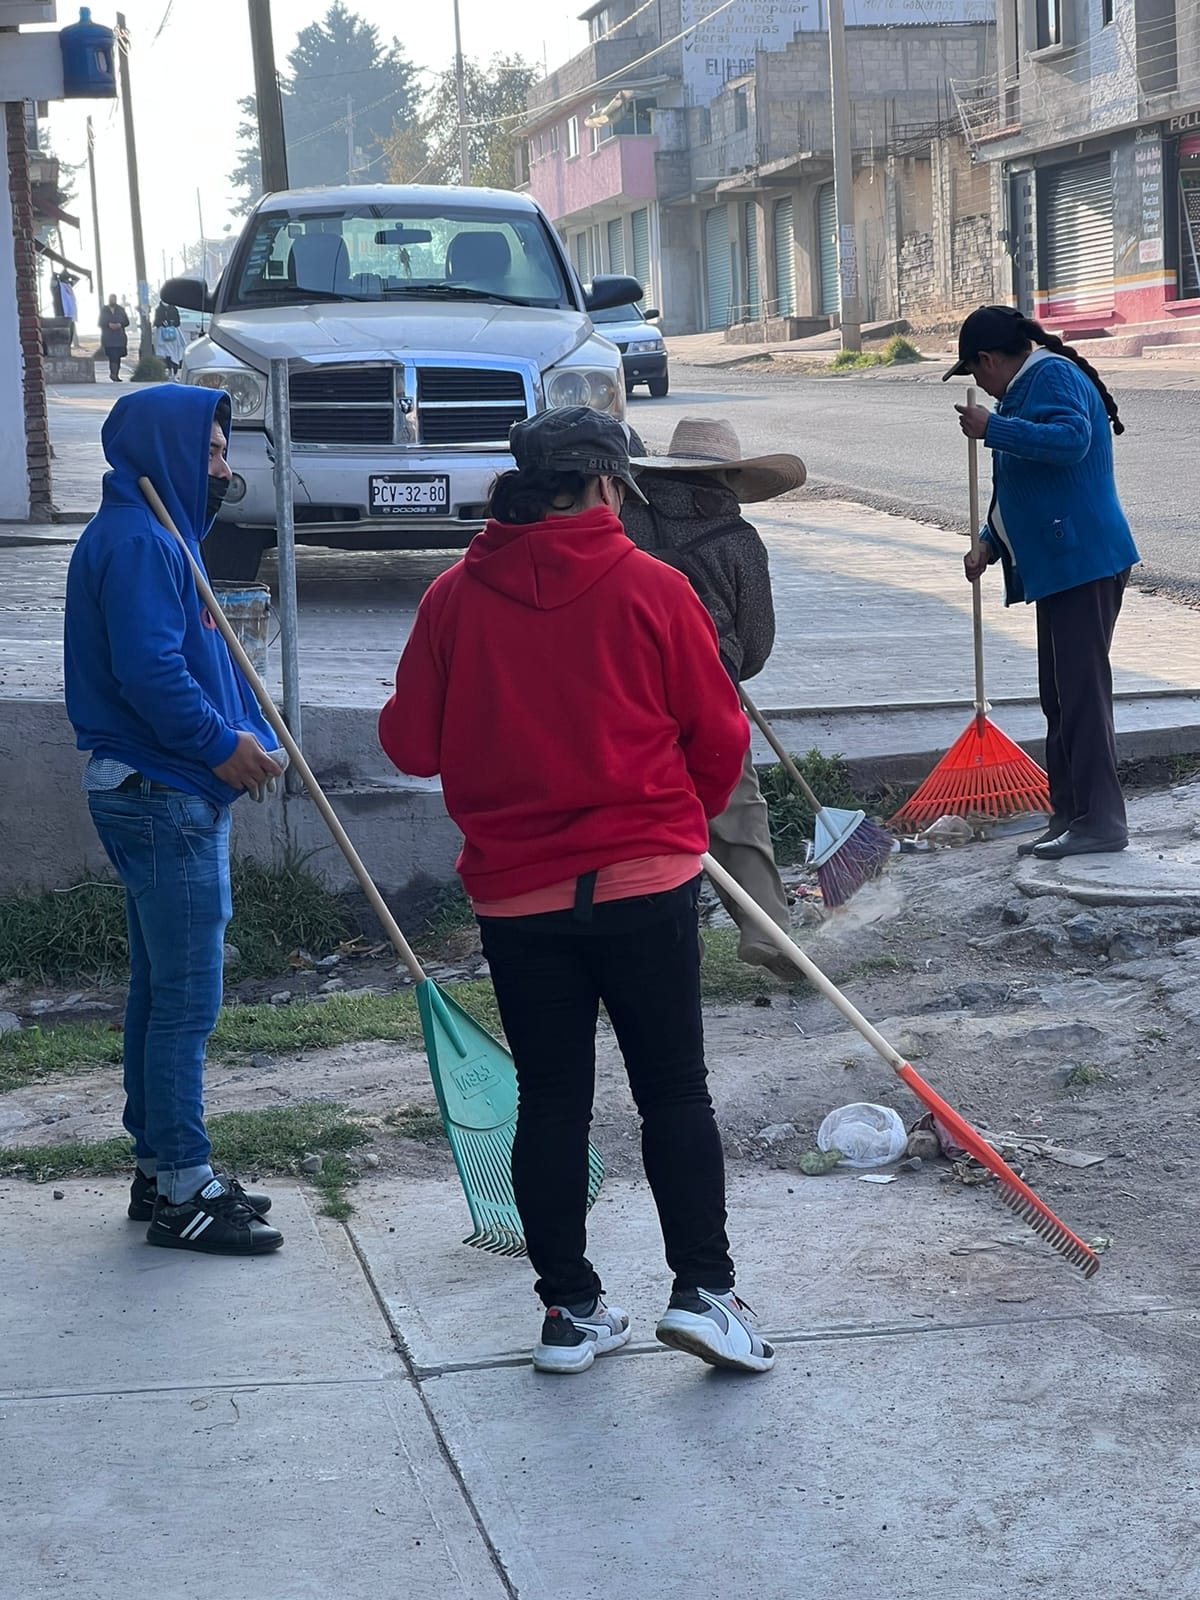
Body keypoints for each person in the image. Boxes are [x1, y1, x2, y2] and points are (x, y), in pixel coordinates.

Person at [378, 407, 775, 1377]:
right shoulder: (656, 588)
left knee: (551, 1099)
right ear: (609, 486)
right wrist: (682, 824)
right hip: (646, 879)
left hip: (518, 897)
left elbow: (409, 744)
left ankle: (571, 1310)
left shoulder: (452, 600)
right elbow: (719, 739)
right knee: (673, 1088)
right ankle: (707, 1295)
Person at [64, 384, 286, 1254]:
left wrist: (251, 731)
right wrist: (219, 745)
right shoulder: (136, 541)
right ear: (165, 449)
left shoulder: (159, 535)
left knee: (160, 994)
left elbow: (195, 662)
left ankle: (160, 1167)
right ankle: (187, 1189)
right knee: (187, 1002)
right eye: (214, 452)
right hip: (161, 793)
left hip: (163, 789)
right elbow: (153, 675)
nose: (226, 469)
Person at [948, 305, 1139, 859]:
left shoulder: (1051, 374)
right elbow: (1024, 483)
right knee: (1058, 696)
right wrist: (989, 539)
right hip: (1061, 563)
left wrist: (994, 428)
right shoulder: (1022, 389)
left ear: (989, 359)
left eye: (974, 371)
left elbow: (1071, 441)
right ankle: (1070, 814)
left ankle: (1102, 821)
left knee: (1081, 695)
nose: (977, 385)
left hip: (1085, 559)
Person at [623, 417, 805, 980]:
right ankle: (768, 932)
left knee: (642, 814)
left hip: (629, 687)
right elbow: (757, 644)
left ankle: (664, 938)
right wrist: (727, 660)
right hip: (708, 686)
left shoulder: (626, 521)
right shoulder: (738, 541)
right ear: (729, 474)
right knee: (736, 805)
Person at [99, 294, 129, 382]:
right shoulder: (104, 310)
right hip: (108, 338)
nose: (112, 300)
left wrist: (120, 324)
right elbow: (100, 322)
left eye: (114, 299)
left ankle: (116, 374)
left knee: (118, 356)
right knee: (112, 356)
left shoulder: (121, 310)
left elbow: (126, 322)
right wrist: (109, 325)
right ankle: (113, 374)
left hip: (119, 338)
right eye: (111, 299)